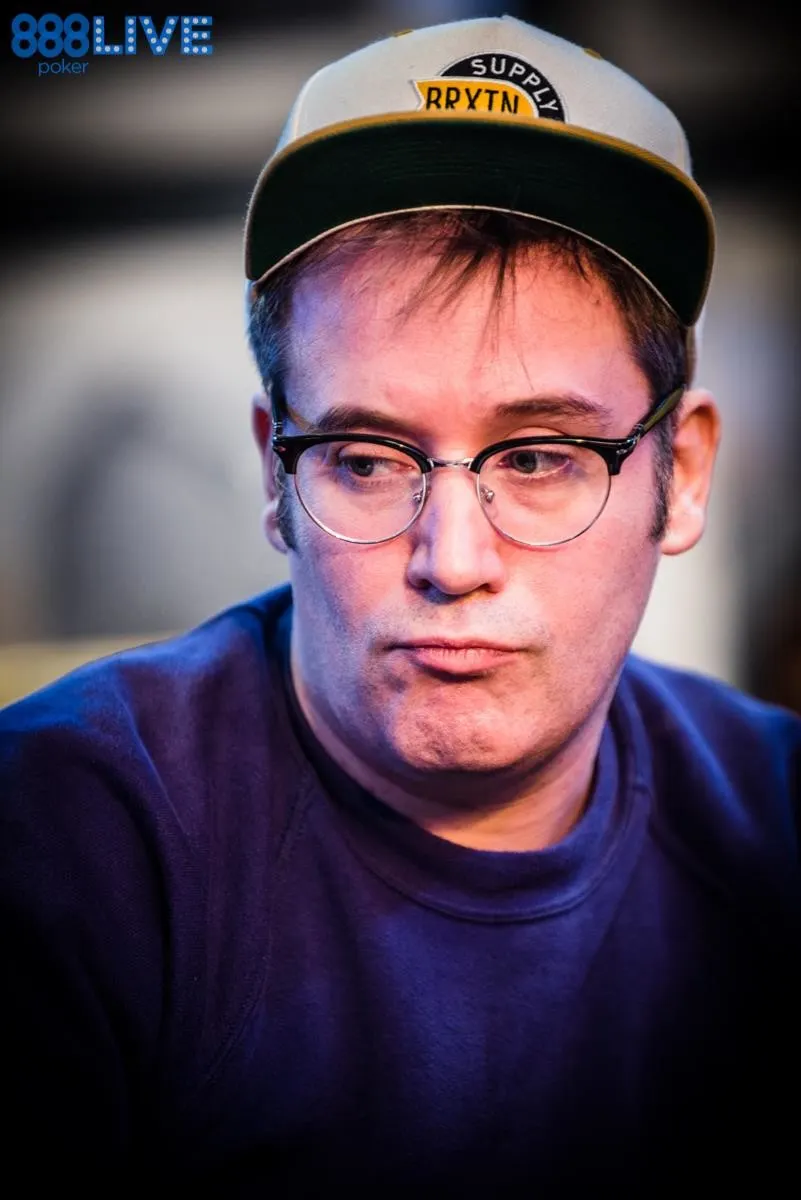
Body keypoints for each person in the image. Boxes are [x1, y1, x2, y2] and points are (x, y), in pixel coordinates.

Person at [1, 13, 799, 1195]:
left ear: (679, 475)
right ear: (276, 472)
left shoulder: (777, 825)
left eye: (541, 456)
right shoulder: (61, 840)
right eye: (368, 460)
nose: (452, 558)